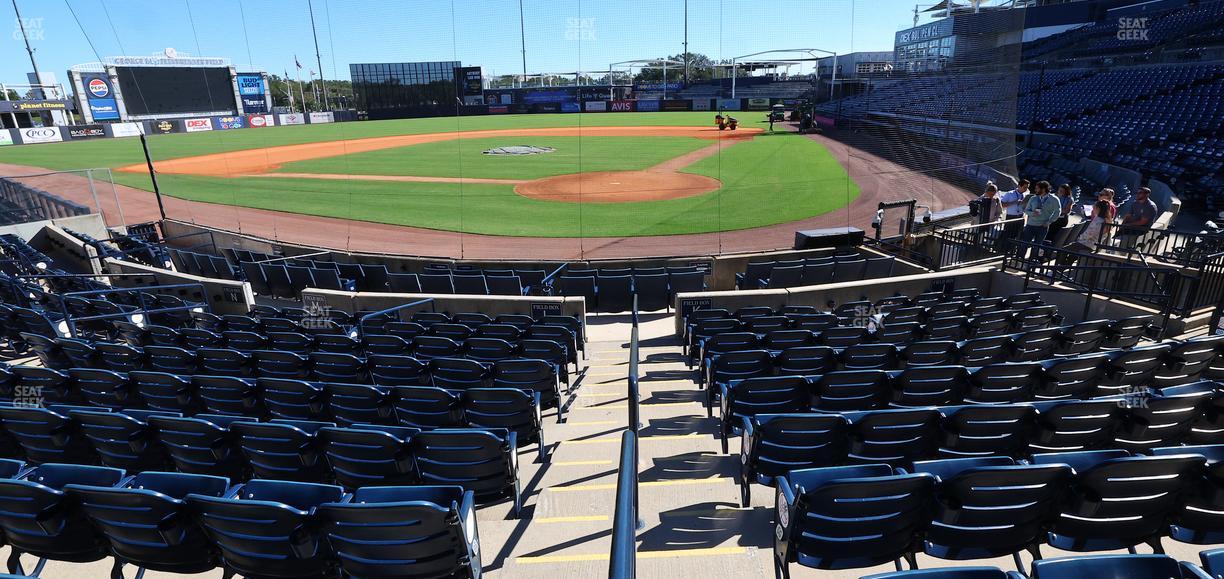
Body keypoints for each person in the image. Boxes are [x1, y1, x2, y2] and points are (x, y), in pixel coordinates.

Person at [1018, 180, 1061, 259]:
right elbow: (1026, 210)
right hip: (1030, 225)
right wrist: (1032, 213)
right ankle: (1019, 259)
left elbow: (1057, 212)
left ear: (1044, 189)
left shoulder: (1054, 199)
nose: (1036, 190)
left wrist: (1049, 221)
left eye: (1037, 188)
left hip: (1043, 226)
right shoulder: (1033, 198)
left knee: (1037, 245)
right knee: (1024, 243)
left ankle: (1031, 262)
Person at [997, 176, 1029, 253]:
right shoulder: (1010, 193)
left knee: (1017, 234)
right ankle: (1002, 249)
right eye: (1024, 187)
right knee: (1008, 233)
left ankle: (1011, 250)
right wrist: (1014, 202)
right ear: (1019, 186)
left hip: (1020, 217)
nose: (1025, 189)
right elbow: (1002, 204)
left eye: (1027, 188)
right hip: (1011, 216)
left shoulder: (1025, 195)